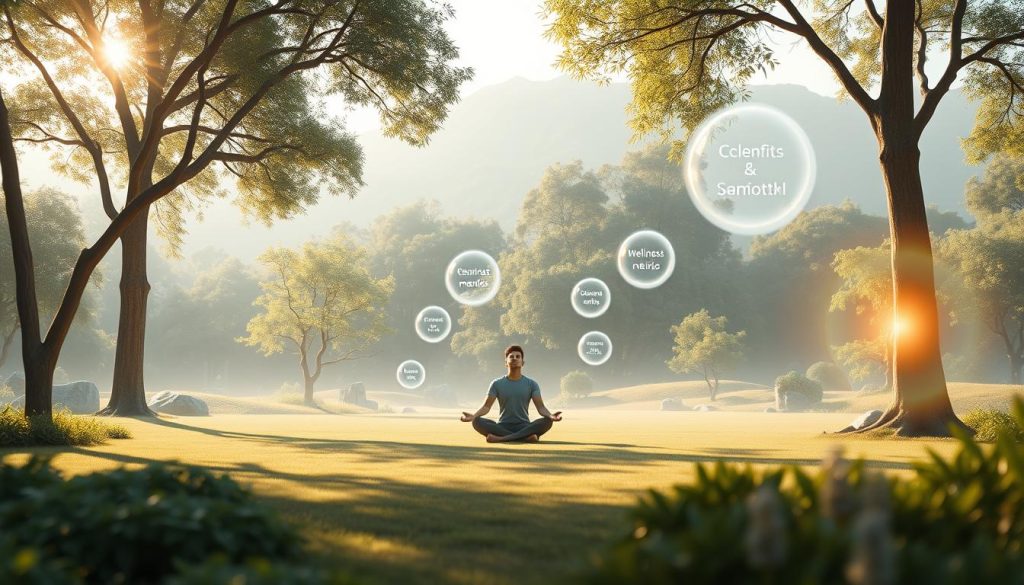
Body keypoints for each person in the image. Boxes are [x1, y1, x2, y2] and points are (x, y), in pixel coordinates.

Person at [460, 345, 562, 443]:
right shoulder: (496, 383)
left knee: (547, 421)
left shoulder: (532, 384)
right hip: (502, 426)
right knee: (477, 422)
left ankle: (500, 439)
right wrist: (474, 416)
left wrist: (550, 416)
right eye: (511, 357)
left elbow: (541, 408)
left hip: (524, 426)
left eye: (518, 357)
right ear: (506, 362)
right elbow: (486, 407)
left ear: (523, 362)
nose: (514, 358)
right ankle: (525, 438)